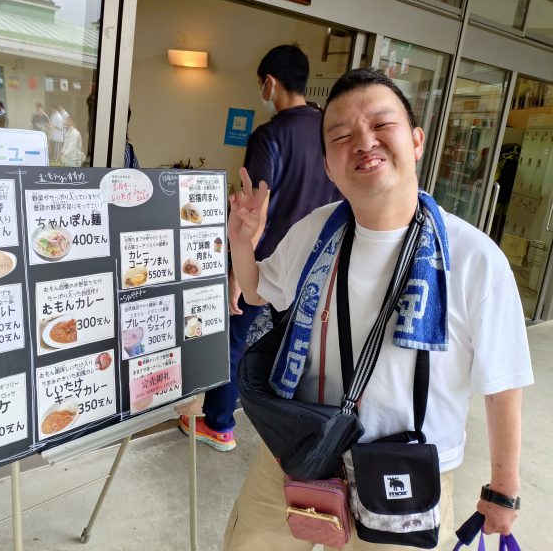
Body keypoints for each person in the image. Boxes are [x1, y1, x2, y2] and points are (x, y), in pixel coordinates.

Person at [222, 68, 533, 550]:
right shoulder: (317, 228)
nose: (364, 142)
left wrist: (503, 490)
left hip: (404, 473)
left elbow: (503, 381)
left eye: (381, 125)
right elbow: (260, 290)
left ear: (416, 141)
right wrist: (243, 244)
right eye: (341, 136)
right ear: (328, 167)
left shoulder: (473, 258)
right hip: (299, 449)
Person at [179, 45, 341, 451]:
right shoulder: (327, 131)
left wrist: (237, 276)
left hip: (268, 262)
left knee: (233, 338)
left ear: (270, 83)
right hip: (317, 265)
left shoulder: (270, 136)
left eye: (261, 84)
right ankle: (291, 428)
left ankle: (219, 424)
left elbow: (257, 212)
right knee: (297, 344)